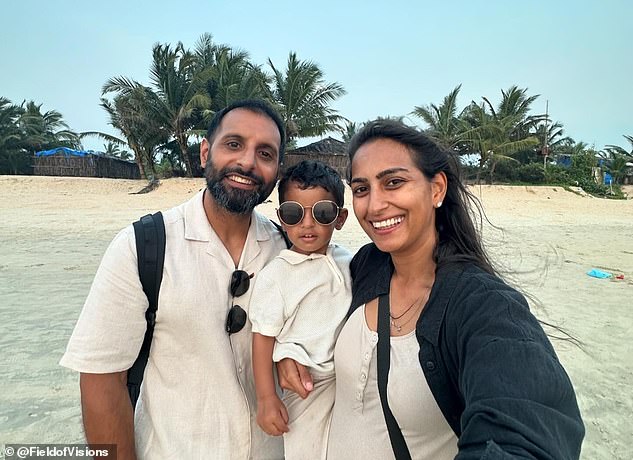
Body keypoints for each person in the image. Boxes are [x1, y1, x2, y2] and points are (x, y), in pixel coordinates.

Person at [279, 119, 585, 459]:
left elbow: (523, 433)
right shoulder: (366, 266)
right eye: (362, 189)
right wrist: (291, 351)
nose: (375, 205)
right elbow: (306, 289)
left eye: (393, 182)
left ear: (436, 188)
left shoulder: (484, 307)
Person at [60, 99, 289, 459]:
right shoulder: (144, 247)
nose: (247, 162)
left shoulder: (288, 251)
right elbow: (103, 379)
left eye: (265, 153)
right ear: (204, 152)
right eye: (234, 144)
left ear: (276, 170)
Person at [250, 160, 352, 460]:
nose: (307, 224)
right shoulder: (278, 274)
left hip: (346, 382)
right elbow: (263, 338)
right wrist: (267, 398)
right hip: (306, 386)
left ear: (340, 218)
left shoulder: (348, 261)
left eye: (322, 213)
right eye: (294, 213)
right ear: (281, 219)